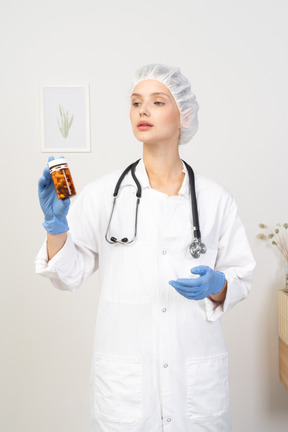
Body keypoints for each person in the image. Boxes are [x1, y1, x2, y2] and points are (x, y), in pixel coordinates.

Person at [35, 64, 255, 432]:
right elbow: (67, 274)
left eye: (157, 101)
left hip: (195, 384)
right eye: (136, 103)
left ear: (183, 116)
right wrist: (56, 227)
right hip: (126, 388)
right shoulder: (104, 194)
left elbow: (241, 277)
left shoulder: (216, 199)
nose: (143, 110)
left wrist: (217, 284)